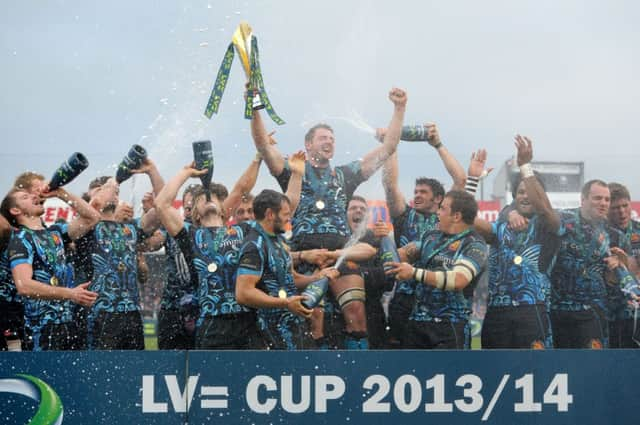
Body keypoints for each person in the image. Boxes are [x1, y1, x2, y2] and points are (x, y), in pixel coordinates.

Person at [250, 88, 408, 349]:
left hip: (341, 253)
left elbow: (389, 146)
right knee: (315, 318)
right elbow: (263, 146)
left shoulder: (346, 174)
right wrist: (255, 105)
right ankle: (317, 374)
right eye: (323, 138)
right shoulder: (293, 169)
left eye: (332, 139)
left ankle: (354, 371)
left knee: (356, 314)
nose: (329, 142)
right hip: (305, 252)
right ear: (308, 144)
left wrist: (399, 109)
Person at [469, 137, 562, 349]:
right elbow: (466, 219)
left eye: (531, 192)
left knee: (536, 373)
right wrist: (472, 180)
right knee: (494, 372)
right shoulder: (499, 228)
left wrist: (525, 166)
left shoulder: (549, 225)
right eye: (521, 192)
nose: (526, 196)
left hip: (533, 310)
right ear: (514, 197)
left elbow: (545, 209)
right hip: (496, 313)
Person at [380, 123, 466, 348]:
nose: (416, 196)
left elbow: (461, 180)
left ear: (438, 199)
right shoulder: (404, 216)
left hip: (442, 299)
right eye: (415, 191)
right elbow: (390, 185)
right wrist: (391, 146)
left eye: (423, 193)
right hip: (406, 300)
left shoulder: (448, 218)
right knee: (406, 363)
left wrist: (438, 145)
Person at [77, 157, 164, 350]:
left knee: (136, 371)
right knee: (101, 371)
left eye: (112, 191)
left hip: (132, 312)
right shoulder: (84, 228)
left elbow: (162, 210)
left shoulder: (130, 228)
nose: (109, 193)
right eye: (100, 191)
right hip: (99, 313)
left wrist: (152, 171)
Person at [236, 189, 339, 350]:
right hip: (270, 334)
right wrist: (285, 303)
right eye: (285, 214)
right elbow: (243, 293)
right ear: (270, 214)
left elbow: (291, 278)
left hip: (295, 327)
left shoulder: (279, 240)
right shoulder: (254, 245)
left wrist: (318, 277)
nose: (289, 218)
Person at [385, 190, 488, 349]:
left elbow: (459, 280)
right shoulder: (431, 236)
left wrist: (413, 272)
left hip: (450, 326)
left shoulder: (474, 244)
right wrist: (383, 241)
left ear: (456, 216)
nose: (437, 212)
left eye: (443, 208)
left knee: (449, 374)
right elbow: (404, 254)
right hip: (417, 323)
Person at [1, 185, 99, 351]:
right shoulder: (20, 240)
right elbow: (24, 285)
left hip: (68, 324)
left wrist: (61, 193)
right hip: (40, 329)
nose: (33, 196)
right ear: (15, 210)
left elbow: (92, 217)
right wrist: (71, 293)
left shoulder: (56, 233)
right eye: (25, 197)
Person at [550, 179, 630, 349]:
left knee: (593, 369)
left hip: (593, 315)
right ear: (583, 199)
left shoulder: (616, 237)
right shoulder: (563, 219)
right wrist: (510, 213)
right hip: (557, 311)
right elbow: (533, 213)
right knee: (555, 368)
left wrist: (617, 272)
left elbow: (616, 288)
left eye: (607, 200)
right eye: (597, 198)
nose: (603, 203)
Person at [606, 182, 640, 348]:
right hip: (608, 312)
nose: (621, 212)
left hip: (635, 313)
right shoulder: (599, 233)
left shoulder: (639, 230)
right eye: (615, 208)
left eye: (625, 205)